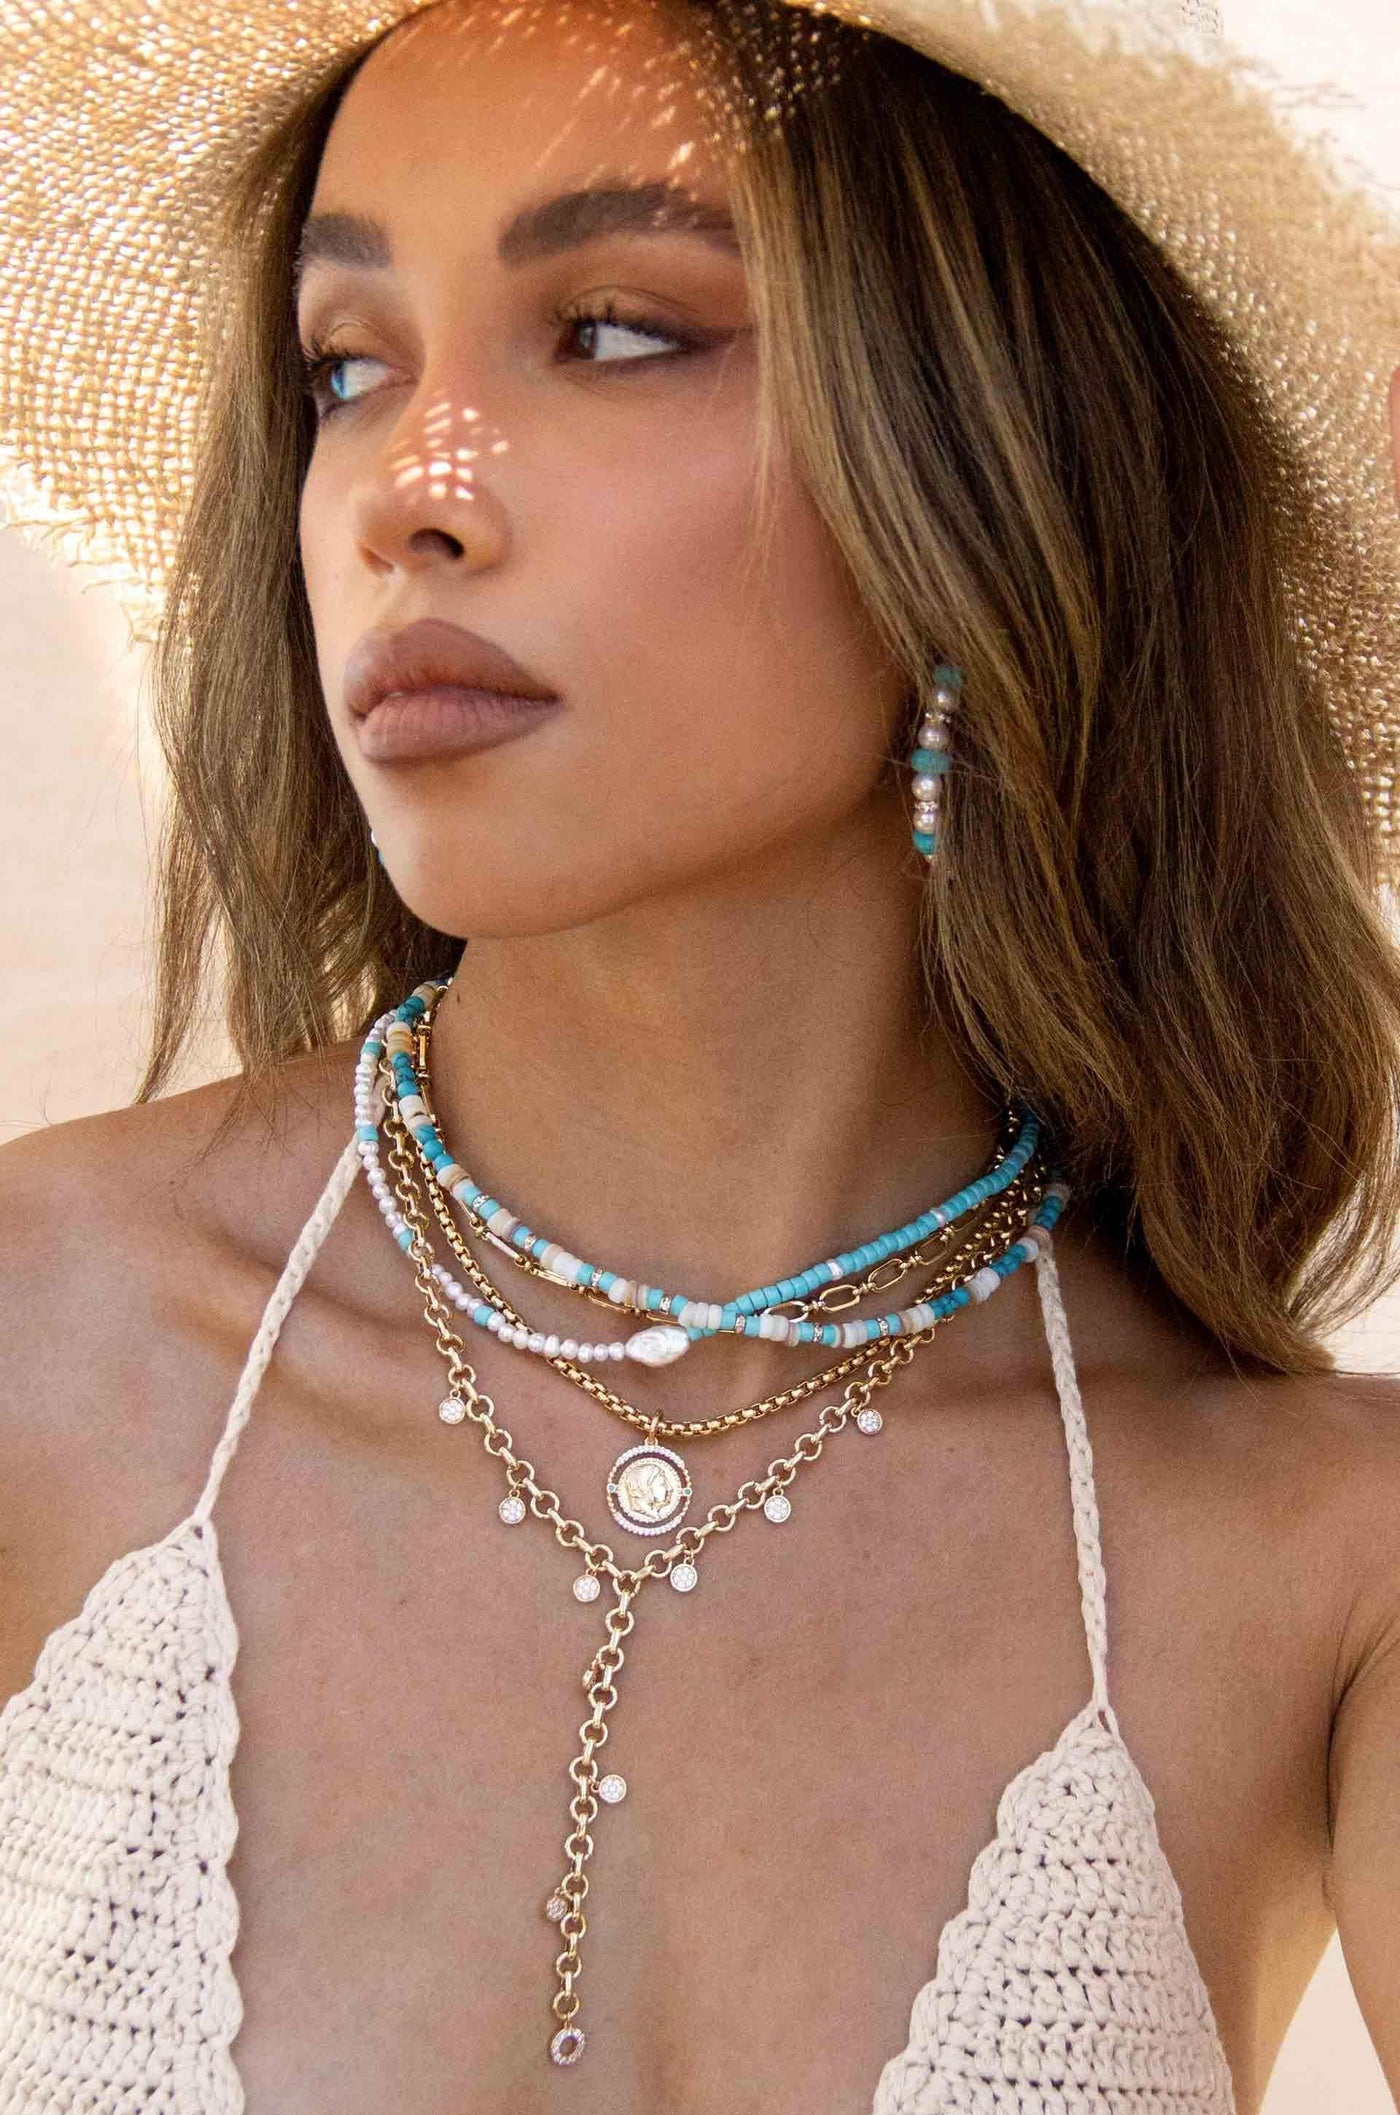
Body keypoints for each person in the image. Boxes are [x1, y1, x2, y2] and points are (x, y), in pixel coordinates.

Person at [0, 0, 1398, 2106]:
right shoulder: (42, 1336)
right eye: (346, 365)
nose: (409, 492)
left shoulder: (1308, 1571)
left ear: (984, 467)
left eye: (622, 329)